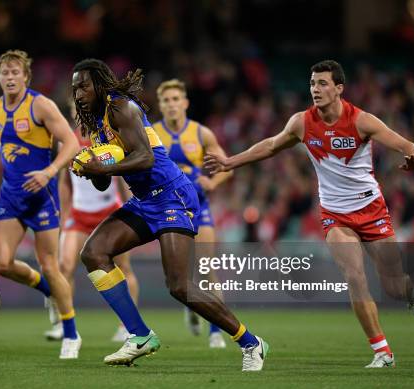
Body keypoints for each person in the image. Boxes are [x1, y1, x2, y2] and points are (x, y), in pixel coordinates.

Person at [205, 60, 414, 368]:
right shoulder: (301, 122)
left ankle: (411, 292)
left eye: (323, 83)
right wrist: (231, 162)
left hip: (371, 210)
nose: (315, 89)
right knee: (355, 277)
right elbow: (271, 146)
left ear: (339, 89)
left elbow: (404, 143)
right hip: (334, 214)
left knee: (392, 284)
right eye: (312, 83)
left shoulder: (362, 121)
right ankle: (382, 351)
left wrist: (413, 157)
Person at [71, 58, 268, 371]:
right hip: (145, 200)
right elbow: (104, 180)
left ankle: (250, 342)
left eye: (84, 85)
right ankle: (139, 335)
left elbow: (146, 158)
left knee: (179, 286)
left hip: (172, 195)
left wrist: (102, 165)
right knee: (94, 253)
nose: (78, 92)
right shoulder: (96, 124)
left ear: (99, 83)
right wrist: (90, 169)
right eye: (74, 88)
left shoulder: (121, 107)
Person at [0, 50, 81, 359]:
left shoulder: (40, 105)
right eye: (4, 73)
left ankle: (71, 334)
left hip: (42, 196)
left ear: (25, 77)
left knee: (50, 263)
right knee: (1, 264)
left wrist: (49, 171)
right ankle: (47, 290)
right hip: (11, 195)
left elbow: (71, 143)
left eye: (15, 72)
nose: (9, 78)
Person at [153, 79, 233, 348]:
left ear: (185, 103)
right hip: (167, 210)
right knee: (181, 274)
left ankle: (215, 330)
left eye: (176, 99)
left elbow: (226, 167)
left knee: (207, 267)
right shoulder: (152, 134)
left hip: (198, 206)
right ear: (161, 105)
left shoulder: (201, 134)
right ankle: (191, 306)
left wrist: (213, 182)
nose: (172, 104)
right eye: (166, 100)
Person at [55, 104, 139, 342]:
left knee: (123, 268)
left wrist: (131, 206)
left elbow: (122, 175)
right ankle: (66, 324)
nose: (80, 110)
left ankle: (126, 325)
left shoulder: (107, 138)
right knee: (65, 266)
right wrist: (65, 211)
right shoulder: (67, 141)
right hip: (79, 214)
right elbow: (64, 180)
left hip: (109, 211)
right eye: (75, 106)